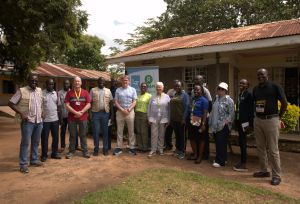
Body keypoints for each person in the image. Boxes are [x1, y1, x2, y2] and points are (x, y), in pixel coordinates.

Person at [252, 68, 287, 186]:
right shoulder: (256, 89)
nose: (260, 76)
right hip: (258, 120)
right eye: (258, 75)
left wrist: (279, 117)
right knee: (260, 147)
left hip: (271, 120)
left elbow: (284, 103)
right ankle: (264, 171)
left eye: (262, 74)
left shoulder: (275, 86)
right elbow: (255, 104)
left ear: (267, 75)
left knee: (273, 150)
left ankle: (277, 176)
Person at [8, 74, 43, 173]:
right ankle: (23, 164)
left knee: (36, 142)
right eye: (32, 81)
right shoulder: (22, 91)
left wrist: (42, 112)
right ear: (28, 81)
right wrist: (21, 113)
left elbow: (40, 103)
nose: (34, 82)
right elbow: (11, 103)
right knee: (25, 143)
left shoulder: (39, 90)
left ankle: (34, 160)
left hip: (39, 121)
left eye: (36, 81)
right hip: (28, 122)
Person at [64, 76, 91, 159]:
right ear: (73, 83)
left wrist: (81, 112)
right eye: (75, 81)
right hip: (72, 118)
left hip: (83, 117)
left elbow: (89, 104)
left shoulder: (85, 92)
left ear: (81, 83)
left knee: (83, 135)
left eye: (78, 81)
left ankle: (85, 151)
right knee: (72, 135)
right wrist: (76, 112)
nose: (77, 83)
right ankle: (71, 151)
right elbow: (66, 105)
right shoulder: (69, 93)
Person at [209, 82, 234, 168]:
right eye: (219, 88)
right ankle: (222, 158)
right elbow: (213, 111)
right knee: (218, 143)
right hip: (215, 125)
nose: (220, 90)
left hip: (223, 126)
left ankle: (220, 161)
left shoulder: (229, 100)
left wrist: (225, 122)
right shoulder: (216, 99)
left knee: (221, 143)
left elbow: (231, 114)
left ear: (226, 91)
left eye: (222, 89)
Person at [113, 75, 137, 156]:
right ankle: (119, 147)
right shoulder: (118, 90)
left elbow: (134, 101)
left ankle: (132, 147)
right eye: (123, 80)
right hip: (120, 112)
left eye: (126, 80)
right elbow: (116, 102)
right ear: (121, 81)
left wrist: (129, 109)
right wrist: (122, 110)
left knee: (131, 131)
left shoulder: (133, 90)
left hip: (130, 112)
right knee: (120, 131)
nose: (125, 82)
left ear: (129, 81)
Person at [233, 79, 254, 172]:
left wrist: (250, 124)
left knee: (243, 143)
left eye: (243, 83)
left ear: (247, 85)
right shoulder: (239, 94)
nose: (241, 84)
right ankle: (241, 161)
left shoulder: (249, 95)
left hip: (245, 123)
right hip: (239, 122)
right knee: (241, 142)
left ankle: (244, 163)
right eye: (240, 83)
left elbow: (251, 110)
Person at [90, 77, 113, 156]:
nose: (101, 83)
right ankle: (96, 149)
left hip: (105, 114)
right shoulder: (93, 90)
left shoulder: (108, 91)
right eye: (100, 81)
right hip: (95, 113)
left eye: (103, 81)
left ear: (105, 82)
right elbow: (90, 103)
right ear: (97, 82)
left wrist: (111, 115)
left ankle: (105, 149)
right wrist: (90, 114)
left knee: (105, 132)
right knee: (96, 132)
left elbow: (111, 103)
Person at [191, 75, 212, 160]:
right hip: (194, 118)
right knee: (195, 137)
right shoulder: (193, 91)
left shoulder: (205, 90)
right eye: (195, 79)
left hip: (203, 117)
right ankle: (196, 153)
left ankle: (204, 154)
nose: (196, 80)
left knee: (203, 138)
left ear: (202, 80)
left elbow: (209, 103)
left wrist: (205, 117)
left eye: (198, 79)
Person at [147, 82, 170, 157]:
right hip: (153, 118)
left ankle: (160, 149)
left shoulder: (167, 97)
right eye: (157, 87)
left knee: (161, 134)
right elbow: (149, 108)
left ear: (163, 88)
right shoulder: (152, 97)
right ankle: (153, 149)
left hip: (163, 118)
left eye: (160, 87)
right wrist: (149, 118)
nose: (158, 88)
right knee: (153, 134)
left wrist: (168, 119)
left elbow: (169, 109)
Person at [41, 78, 61, 162]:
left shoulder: (56, 93)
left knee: (55, 137)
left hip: (55, 120)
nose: (51, 85)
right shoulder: (42, 93)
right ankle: (44, 155)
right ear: (46, 84)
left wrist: (60, 119)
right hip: (45, 120)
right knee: (44, 138)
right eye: (49, 84)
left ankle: (54, 153)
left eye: (52, 84)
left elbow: (59, 106)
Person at [188, 84, 208, 164]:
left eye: (198, 90)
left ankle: (200, 156)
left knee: (201, 140)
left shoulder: (204, 100)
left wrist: (203, 124)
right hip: (193, 120)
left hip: (200, 122)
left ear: (202, 91)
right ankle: (195, 154)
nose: (196, 91)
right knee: (192, 138)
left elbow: (205, 113)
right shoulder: (193, 99)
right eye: (195, 90)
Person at [170, 80, 190, 159]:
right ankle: (178, 149)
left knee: (182, 136)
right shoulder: (175, 94)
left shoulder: (184, 95)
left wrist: (184, 119)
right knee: (177, 135)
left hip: (181, 120)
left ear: (182, 86)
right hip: (174, 119)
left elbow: (187, 107)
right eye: (175, 86)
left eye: (178, 86)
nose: (177, 87)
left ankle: (182, 151)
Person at [135, 82, 152, 152]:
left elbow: (151, 107)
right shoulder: (138, 96)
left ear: (147, 88)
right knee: (138, 131)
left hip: (144, 114)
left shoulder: (149, 96)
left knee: (144, 131)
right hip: (137, 114)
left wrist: (149, 117)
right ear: (140, 88)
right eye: (142, 87)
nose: (143, 88)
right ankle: (140, 147)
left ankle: (145, 147)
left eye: (144, 87)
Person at [164, 79, 179, 150]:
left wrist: (172, 99)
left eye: (177, 84)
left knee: (177, 133)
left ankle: (178, 147)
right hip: (170, 114)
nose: (175, 86)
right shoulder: (170, 91)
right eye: (174, 84)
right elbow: (166, 100)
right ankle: (168, 145)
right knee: (168, 132)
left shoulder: (181, 92)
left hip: (177, 115)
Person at [58, 79, 70, 152]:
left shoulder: (72, 92)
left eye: (67, 84)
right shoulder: (59, 93)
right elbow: (59, 106)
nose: (66, 85)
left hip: (71, 116)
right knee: (63, 131)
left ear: (69, 84)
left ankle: (74, 145)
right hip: (63, 116)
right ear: (63, 84)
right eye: (65, 84)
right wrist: (60, 117)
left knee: (73, 131)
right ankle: (62, 146)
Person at [108, 78, 118, 150]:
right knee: (109, 129)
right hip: (110, 112)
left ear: (116, 82)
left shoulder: (118, 90)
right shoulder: (108, 90)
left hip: (117, 111)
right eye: (112, 82)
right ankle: (108, 146)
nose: (113, 83)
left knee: (119, 129)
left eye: (114, 82)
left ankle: (118, 146)